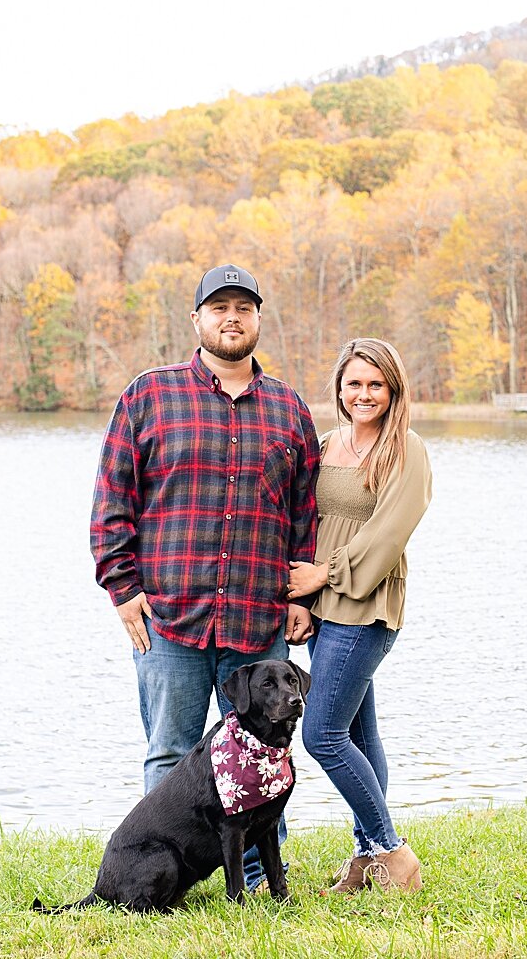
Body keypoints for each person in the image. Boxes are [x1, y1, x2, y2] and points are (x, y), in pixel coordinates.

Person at [90, 263, 321, 888]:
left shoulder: (291, 411)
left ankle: (254, 874)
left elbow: (306, 511)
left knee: (266, 754)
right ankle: (164, 876)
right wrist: (122, 586)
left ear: (258, 320)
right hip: (170, 615)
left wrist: (306, 598)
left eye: (243, 307)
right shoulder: (149, 395)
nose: (231, 317)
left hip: (258, 614)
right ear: (197, 320)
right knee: (171, 751)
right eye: (218, 307)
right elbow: (114, 496)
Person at [286, 337, 433, 893]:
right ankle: (365, 857)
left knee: (321, 734)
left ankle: (393, 854)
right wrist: (301, 600)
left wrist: (323, 577)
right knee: (359, 735)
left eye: (376, 384)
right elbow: (307, 522)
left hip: (364, 604)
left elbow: (389, 532)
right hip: (323, 608)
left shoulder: (407, 451)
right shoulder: (326, 444)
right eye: (354, 383)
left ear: (392, 390)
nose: (364, 394)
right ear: (339, 389)